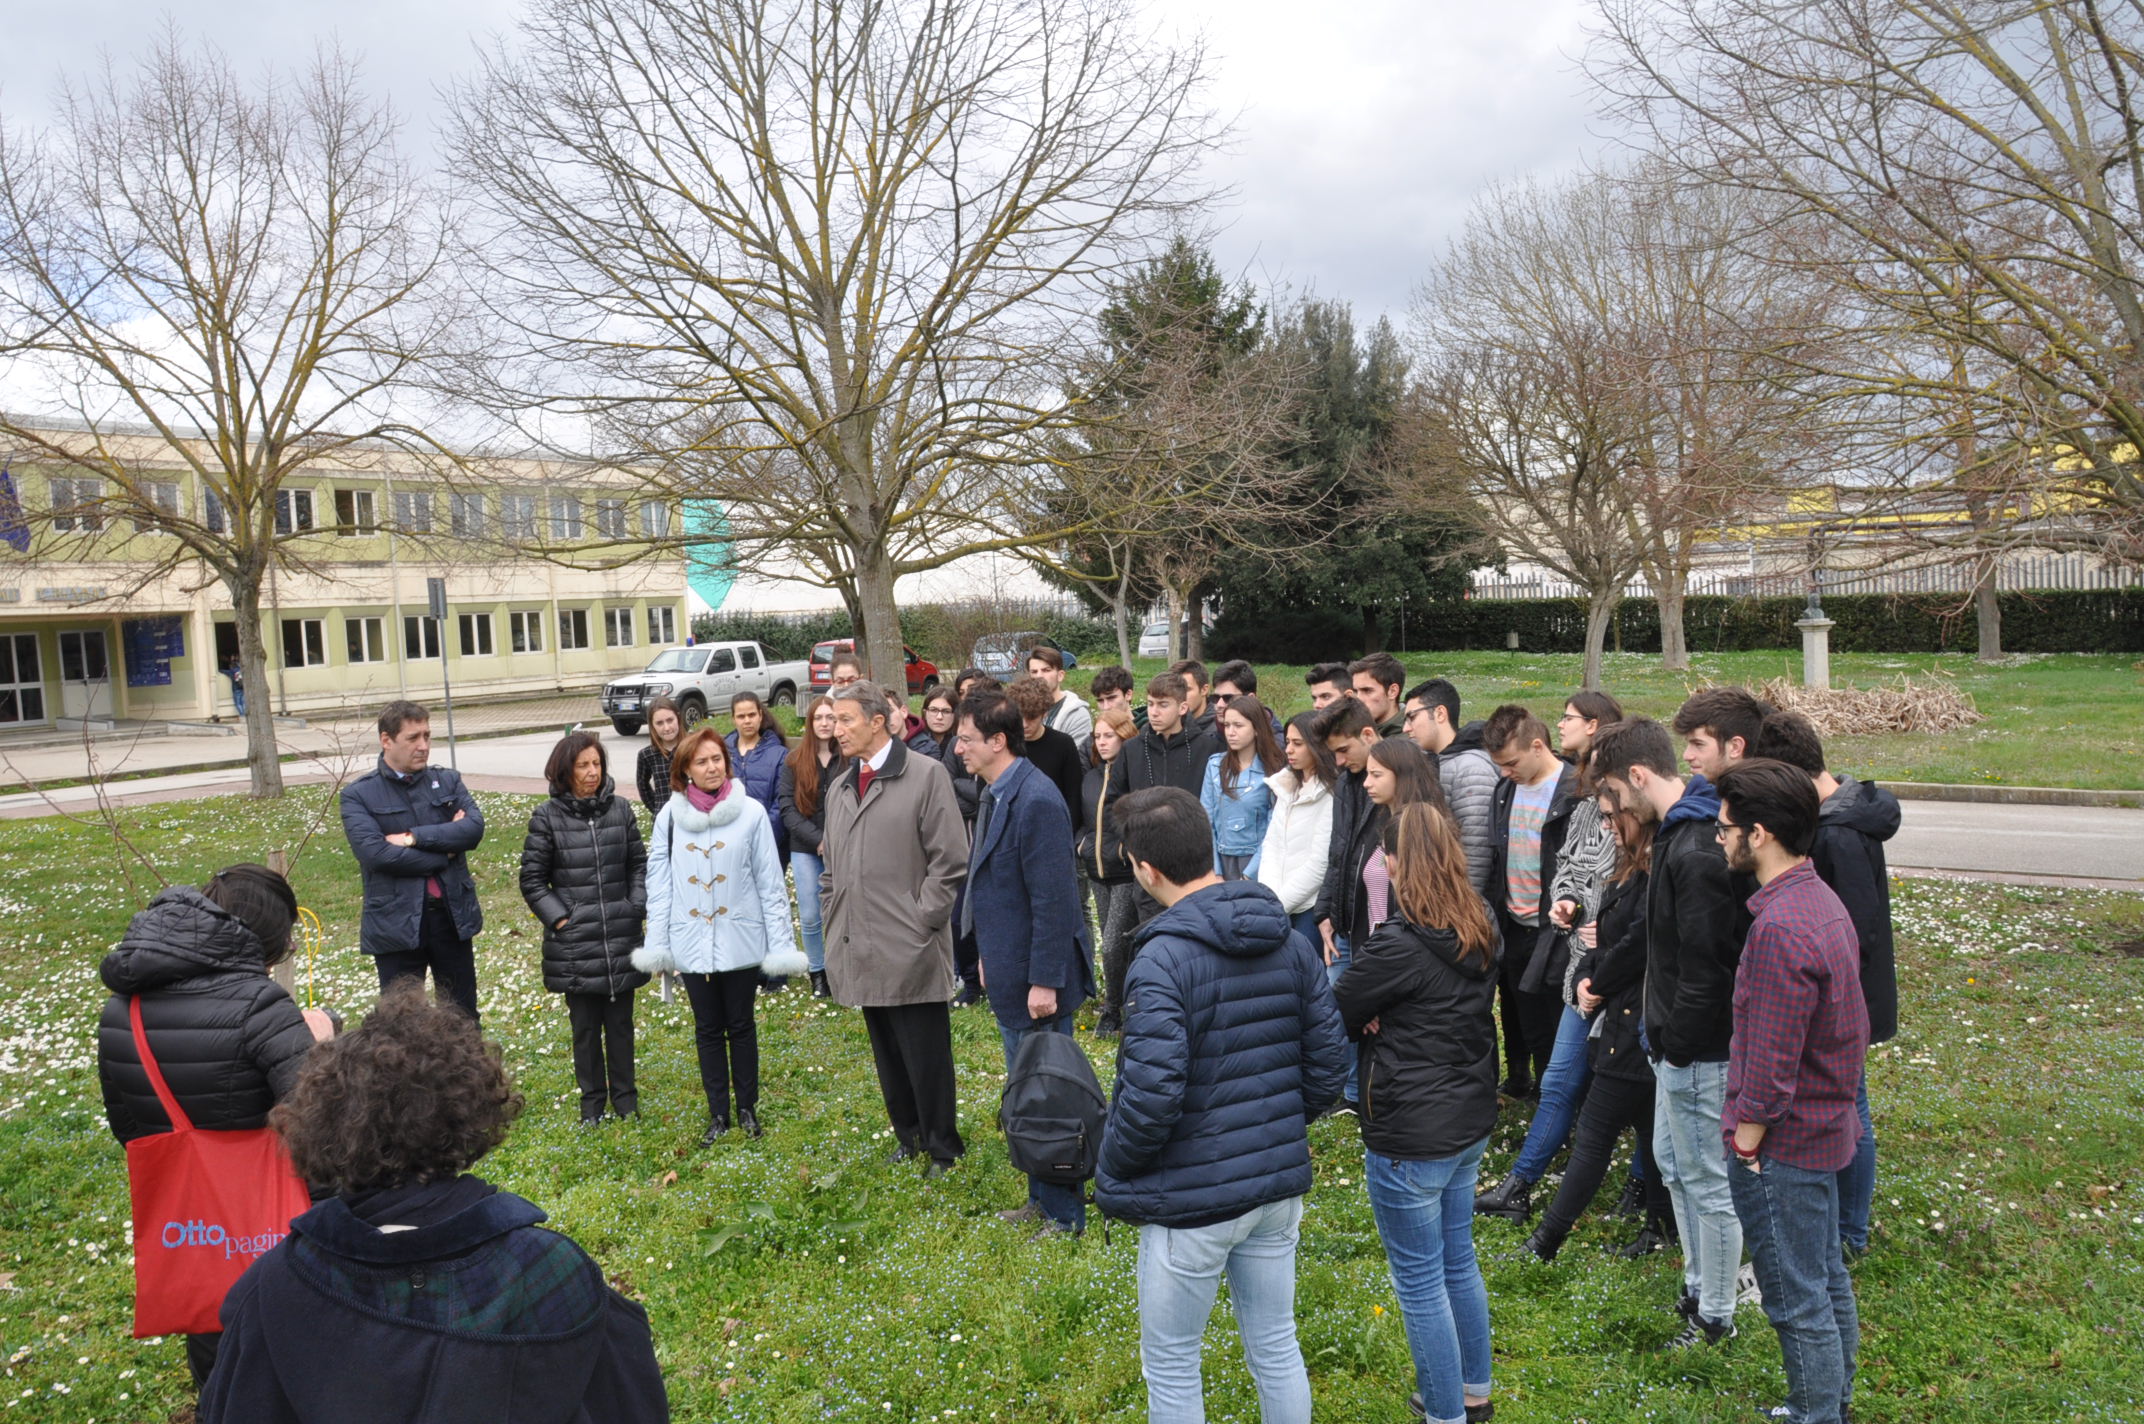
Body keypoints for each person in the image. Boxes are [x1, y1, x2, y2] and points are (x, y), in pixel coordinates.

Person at [198, 984, 668, 1423]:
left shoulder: (274, 1285)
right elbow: (628, 1404)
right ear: (469, 1108)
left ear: (324, 1126)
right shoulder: (553, 1273)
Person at [1097, 787, 1349, 1424]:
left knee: (1175, 1359)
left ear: (1146, 871)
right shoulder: (1289, 944)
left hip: (1191, 1198)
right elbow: (1327, 1070)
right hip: (1273, 1187)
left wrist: (1114, 1166)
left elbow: (1151, 1097)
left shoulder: (1160, 959)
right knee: (1275, 1343)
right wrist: (1273, 1125)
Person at [97, 864, 334, 1392]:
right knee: (292, 1368)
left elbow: (128, 1128)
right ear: (268, 938)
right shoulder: (260, 1004)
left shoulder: (123, 1008)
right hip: (276, 1220)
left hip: (196, 1229)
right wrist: (319, 1045)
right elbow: (320, 1125)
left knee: (220, 1365)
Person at [1331, 803, 1500, 1424]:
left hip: (1411, 1127)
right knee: (1458, 1261)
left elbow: (1335, 1009)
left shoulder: (1398, 945)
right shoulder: (1480, 918)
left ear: (1397, 865)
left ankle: (1446, 1413)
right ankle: (1473, 1390)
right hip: (1467, 1116)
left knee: (1422, 1281)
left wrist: (1373, 1010)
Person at [1714, 759, 1870, 1424]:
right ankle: (1831, 1401)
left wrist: (1748, 1140)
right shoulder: (1817, 900)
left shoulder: (1779, 929)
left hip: (1787, 1144)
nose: (1718, 839)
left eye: (1725, 829)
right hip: (1826, 1127)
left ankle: (1816, 1414)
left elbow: (1772, 1061)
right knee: (1825, 1277)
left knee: (1794, 1296)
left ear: (1760, 834)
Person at [1591, 717, 1748, 1349]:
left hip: (1699, 1051)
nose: (1609, 806)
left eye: (1609, 791)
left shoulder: (1695, 846)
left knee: (1706, 1179)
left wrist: (1678, 1043)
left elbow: (1707, 966)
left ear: (1636, 776)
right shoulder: (1680, 835)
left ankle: (1716, 1315)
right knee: (1674, 1167)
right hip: (1673, 1046)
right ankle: (1696, 1284)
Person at [1476, 692, 1639, 1223]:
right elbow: (1568, 867)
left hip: (1631, 981)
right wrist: (1567, 901)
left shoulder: (1662, 827)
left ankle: (1642, 1190)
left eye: (1595, 771)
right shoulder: (1589, 809)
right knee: (1559, 1079)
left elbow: (1649, 901)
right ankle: (1520, 1186)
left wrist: (1607, 928)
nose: (1588, 782)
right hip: (1582, 970)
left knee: (1643, 1095)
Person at [1752, 710, 1900, 1259]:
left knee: (1850, 1108)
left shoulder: (1836, 831)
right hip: (1844, 995)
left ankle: (1850, 1233)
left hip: (1847, 998)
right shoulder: (1841, 811)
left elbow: (1855, 931)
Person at [957, 690, 1095, 1237]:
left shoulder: (1035, 800)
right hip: (1010, 966)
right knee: (1025, 1091)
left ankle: (1064, 1216)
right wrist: (990, 956)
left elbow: (1054, 900)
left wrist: (1044, 979)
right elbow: (994, 887)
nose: (958, 749)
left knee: (1050, 1095)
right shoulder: (995, 791)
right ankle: (1041, 1198)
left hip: (1039, 979)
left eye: (966, 739)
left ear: (997, 741)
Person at [820, 680, 972, 1178]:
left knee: (925, 1052)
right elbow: (831, 865)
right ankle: (908, 1138)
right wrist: (831, 908)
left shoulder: (926, 775)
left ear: (878, 722)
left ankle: (943, 1147)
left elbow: (949, 861)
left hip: (910, 943)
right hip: (858, 938)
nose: (835, 730)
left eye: (845, 720)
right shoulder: (842, 785)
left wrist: (921, 919)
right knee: (886, 1048)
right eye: (833, 720)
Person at [1516, 802, 1676, 1263]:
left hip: (1634, 1018)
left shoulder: (1655, 873)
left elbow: (1635, 944)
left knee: (1595, 1133)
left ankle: (1545, 1242)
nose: (1604, 827)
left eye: (1610, 818)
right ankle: (1659, 1228)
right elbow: (1600, 936)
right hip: (1619, 1010)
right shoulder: (1625, 870)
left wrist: (1597, 981)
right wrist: (1587, 972)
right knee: (1648, 1130)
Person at [639, 725, 797, 1144]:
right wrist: (658, 945)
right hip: (689, 940)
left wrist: (781, 945)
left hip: (741, 938)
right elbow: (659, 886)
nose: (711, 768)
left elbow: (770, 883)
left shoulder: (752, 813)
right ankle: (718, 1114)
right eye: (701, 761)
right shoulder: (669, 817)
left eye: (717, 760)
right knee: (707, 1028)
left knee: (741, 1025)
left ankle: (747, 1108)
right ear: (685, 770)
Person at [518, 732, 650, 1125]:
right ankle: (592, 1105)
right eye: (583, 766)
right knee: (586, 1029)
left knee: (621, 1025)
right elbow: (533, 880)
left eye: (597, 764)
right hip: (576, 945)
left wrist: (635, 905)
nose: (592, 773)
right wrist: (562, 919)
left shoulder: (621, 810)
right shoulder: (547, 817)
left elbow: (638, 865)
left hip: (620, 935)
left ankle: (626, 1101)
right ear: (566, 771)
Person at [339, 699, 487, 1023]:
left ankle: (465, 1075)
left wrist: (412, 838)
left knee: (462, 1018)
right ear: (386, 740)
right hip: (396, 925)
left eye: (427, 736)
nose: (423, 746)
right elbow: (376, 854)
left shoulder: (448, 781)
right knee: (400, 1026)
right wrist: (446, 850)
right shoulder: (359, 796)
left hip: (451, 918)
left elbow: (473, 829)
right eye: (413, 738)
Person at [1481, 704, 1580, 1101]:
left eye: (1511, 762)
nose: (1506, 772)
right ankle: (1539, 1093)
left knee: (1556, 1024)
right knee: (1525, 1018)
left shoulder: (1575, 790)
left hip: (1556, 930)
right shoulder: (1506, 790)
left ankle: (1562, 1099)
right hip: (1513, 925)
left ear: (1538, 746)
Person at [777, 696, 850, 998]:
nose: (824, 723)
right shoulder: (794, 761)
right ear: (810, 722)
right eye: (818, 717)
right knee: (809, 915)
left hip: (843, 847)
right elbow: (786, 808)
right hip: (806, 848)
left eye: (830, 717)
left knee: (843, 913)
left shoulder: (850, 758)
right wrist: (817, 840)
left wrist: (833, 841)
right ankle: (818, 973)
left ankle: (842, 970)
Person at [1402, 679, 1498, 896]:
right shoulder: (1429, 762)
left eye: (1412, 717)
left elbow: (1477, 853)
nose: (1406, 728)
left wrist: (1463, 911)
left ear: (1440, 714)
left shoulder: (1471, 769)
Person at [1256, 710, 1338, 950]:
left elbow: (1319, 863)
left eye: (1298, 744)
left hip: (1308, 909)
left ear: (1317, 746)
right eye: (1288, 742)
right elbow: (1271, 845)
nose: (1288, 749)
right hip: (1274, 903)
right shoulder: (1286, 786)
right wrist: (1270, 897)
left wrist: (1279, 903)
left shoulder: (1330, 794)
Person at [1200, 693, 1283, 880]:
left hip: (1259, 862)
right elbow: (1206, 819)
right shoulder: (1215, 766)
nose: (1231, 732)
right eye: (1227, 725)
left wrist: (1249, 874)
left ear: (1256, 729)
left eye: (1238, 726)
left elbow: (1274, 827)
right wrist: (1216, 872)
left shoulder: (1274, 770)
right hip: (1221, 862)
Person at [726, 691, 790, 862]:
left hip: (769, 843)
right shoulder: (722, 754)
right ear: (733, 719)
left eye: (752, 715)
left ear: (760, 715)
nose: (747, 721)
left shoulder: (779, 754)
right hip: (730, 844)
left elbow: (781, 802)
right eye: (741, 716)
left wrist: (763, 839)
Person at [1008, 674, 1086, 814]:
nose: (1025, 725)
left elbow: (1073, 798)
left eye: (1032, 717)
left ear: (1045, 713)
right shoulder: (1005, 744)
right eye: (1020, 717)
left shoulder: (1063, 744)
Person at [1673, 685, 1770, 783]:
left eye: (1698, 744)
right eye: (1688, 744)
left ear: (1735, 747)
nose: (1686, 756)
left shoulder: (1761, 797)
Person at [1026, 645, 1094, 757]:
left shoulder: (1076, 714)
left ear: (1060, 675)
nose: (1039, 676)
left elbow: (1079, 760)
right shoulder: (1022, 711)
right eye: (1034, 672)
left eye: (1046, 670)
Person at [636, 697, 685, 819]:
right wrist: (657, 809)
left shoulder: (693, 747)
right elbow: (643, 786)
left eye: (670, 720)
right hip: (664, 818)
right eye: (660, 723)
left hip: (691, 815)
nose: (666, 728)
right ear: (652, 726)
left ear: (678, 718)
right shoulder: (646, 755)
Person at [1349, 652, 1408, 739]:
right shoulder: (1350, 730)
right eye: (1355, 691)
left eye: (1367, 690)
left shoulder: (1413, 738)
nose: (1359, 699)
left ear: (1392, 691)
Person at [1091, 663, 1149, 732]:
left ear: (1128, 694)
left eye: (1111, 698)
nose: (1106, 707)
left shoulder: (1150, 733)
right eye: (1100, 701)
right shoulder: (1097, 735)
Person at [909, 684, 958, 759]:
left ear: (955, 715)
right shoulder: (914, 742)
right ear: (925, 713)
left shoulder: (961, 743)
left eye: (946, 711)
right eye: (933, 710)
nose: (939, 717)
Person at [1168, 658, 1215, 736]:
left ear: (1204, 690)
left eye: (1186, 689)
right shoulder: (1162, 726)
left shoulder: (1221, 731)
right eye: (1173, 690)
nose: (1178, 695)